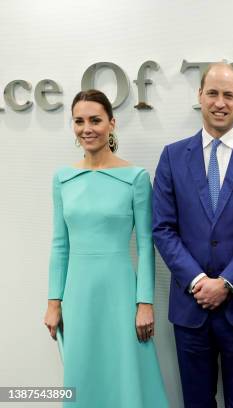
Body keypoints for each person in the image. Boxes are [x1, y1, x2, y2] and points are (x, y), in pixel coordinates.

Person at [152, 62, 233, 408]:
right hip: (190, 304)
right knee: (195, 401)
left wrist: (225, 282)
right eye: (212, 93)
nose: (220, 102)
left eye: (229, 94)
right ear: (199, 96)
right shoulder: (172, 156)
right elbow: (163, 228)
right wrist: (198, 281)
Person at [43, 90, 168, 407]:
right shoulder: (63, 179)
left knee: (124, 372)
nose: (87, 128)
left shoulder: (135, 178)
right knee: (83, 372)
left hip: (120, 294)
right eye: (79, 121)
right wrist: (54, 302)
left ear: (112, 124)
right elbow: (60, 245)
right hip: (78, 295)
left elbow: (145, 244)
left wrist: (145, 303)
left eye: (95, 120)